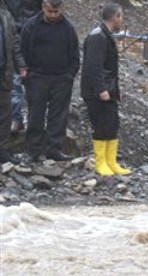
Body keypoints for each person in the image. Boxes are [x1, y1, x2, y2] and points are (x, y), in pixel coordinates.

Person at [20, 0, 80, 162]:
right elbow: (22, 49)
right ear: (43, 8)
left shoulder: (68, 28)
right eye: (50, 12)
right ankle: (33, 150)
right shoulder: (31, 26)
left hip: (61, 78)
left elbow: (75, 55)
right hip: (37, 78)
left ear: (61, 9)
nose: (53, 15)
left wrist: (69, 75)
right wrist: (28, 73)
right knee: (35, 115)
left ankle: (54, 149)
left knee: (58, 116)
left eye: (56, 12)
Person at [80, 3, 130, 176]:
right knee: (101, 126)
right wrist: (101, 89)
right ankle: (101, 163)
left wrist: (115, 90)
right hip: (97, 92)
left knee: (112, 124)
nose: (122, 20)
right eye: (121, 16)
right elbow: (93, 67)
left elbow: (109, 68)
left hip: (108, 89)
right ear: (115, 17)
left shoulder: (105, 35)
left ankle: (111, 162)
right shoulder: (98, 37)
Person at [4, 0, 42, 135]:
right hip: (13, 33)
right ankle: (16, 119)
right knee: (14, 80)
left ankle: (35, 120)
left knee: (35, 80)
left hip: (34, 35)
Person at [0, 2, 27, 164]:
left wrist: (21, 65)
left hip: (4, 72)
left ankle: (3, 149)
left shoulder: (6, 16)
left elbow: (15, 44)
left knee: (5, 113)